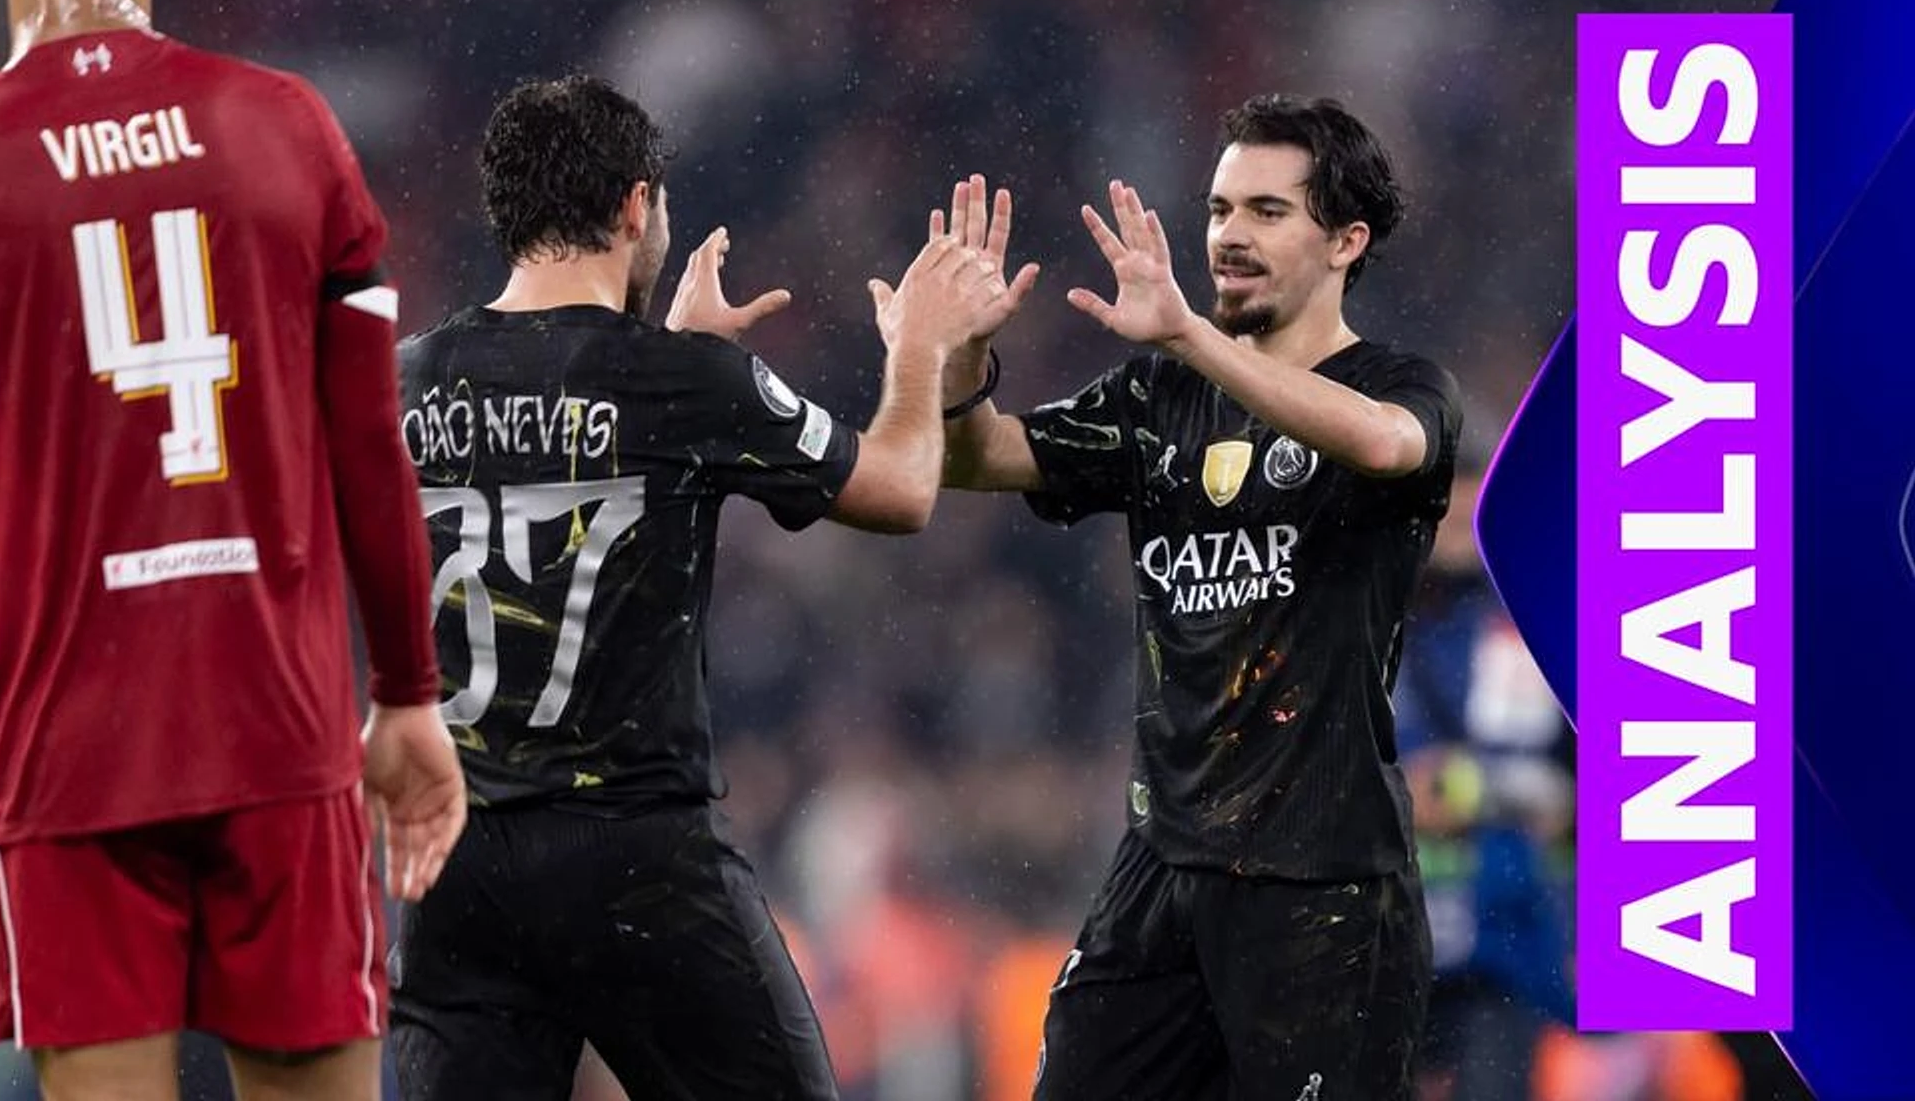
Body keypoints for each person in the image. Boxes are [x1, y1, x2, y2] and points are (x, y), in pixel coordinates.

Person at [0, 0, 467, 1098]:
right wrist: (405, 692)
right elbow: (367, 442)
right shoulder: (287, 126)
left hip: (65, 755)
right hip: (276, 729)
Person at [386, 74, 1022, 1101]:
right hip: (635, 860)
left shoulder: (401, 380)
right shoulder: (678, 383)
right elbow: (903, 490)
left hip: (457, 862)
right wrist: (919, 351)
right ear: (636, 206)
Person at [939, 94, 1462, 1100]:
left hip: (1322, 882)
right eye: (1221, 209)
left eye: (1267, 211)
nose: (1229, 235)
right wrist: (962, 357)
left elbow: (1381, 444)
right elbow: (977, 458)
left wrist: (1187, 336)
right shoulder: (1156, 399)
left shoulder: (1402, 385)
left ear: (1346, 241)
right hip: (1162, 867)